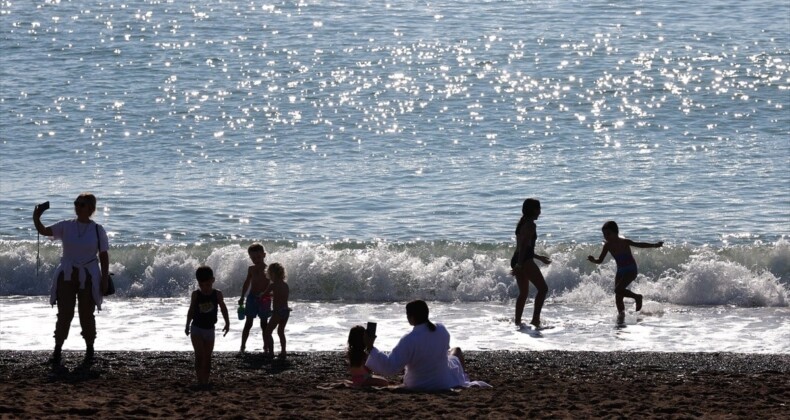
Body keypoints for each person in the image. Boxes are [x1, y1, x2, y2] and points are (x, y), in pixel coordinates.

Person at [33, 193, 110, 363]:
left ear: (90, 208)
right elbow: (44, 231)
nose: (77, 207)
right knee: (65, 313)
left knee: (86, 314)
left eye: (81, 204)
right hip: (67, 273)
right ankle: (57, 349)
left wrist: (104, 279)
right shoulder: (66, 226)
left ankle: (90, 349)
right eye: (76, 203)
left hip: (89, 274)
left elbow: (103, 255)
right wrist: (36, 217)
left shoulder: (98, 229)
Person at [364, 300, 469, 391]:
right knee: (456, 351)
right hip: (442, 382)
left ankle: (463, 376)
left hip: (417, 384)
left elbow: (390, 367)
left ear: (412, 317)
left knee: (453, 353)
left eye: (407, 315)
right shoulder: (442, 330)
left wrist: (371, 347)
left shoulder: (409, 339)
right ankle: (464, 376)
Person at [587, 221, 663, 321]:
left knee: (618, 289)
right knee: (618, 297)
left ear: (616, 232)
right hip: (620, 270)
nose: (606, 236)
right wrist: (593, 260)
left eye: (608, 234)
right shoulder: (607, 246)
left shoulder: (624, 241)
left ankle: (637, 297)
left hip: (631, 269)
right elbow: (600, 260)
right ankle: (621, 317)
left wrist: (654, 245)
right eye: (604, 234)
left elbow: (639, 245)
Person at [185, 265, 230, 387]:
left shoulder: (217, 294)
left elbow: (223, 309)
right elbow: (191, 310)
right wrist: (187, 324)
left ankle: (206, 380)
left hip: (210, 329)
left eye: (208, 285)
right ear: (198, 283)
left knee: (208, 356)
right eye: (201, 285)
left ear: (213, 280)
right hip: (197, 328)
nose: (205, 288)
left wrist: (227, 322)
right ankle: (200, 381)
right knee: (199, 355)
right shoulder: (196, 295)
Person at [511, 198, 551, 329]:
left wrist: (539, 257)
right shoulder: (530, 225)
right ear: (534, 210)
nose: (540, 211)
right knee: (543, 289)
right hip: (524, 260)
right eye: (539, 208)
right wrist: (520, 265)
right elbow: (523, 247)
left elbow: (523, 247)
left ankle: (517, 321)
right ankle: (535, 320)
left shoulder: (522, 223)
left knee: (523, 293)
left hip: (518, 258)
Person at [238, 243, 271, 353]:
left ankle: (266, 347)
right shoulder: (251, 269)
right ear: (250, 258)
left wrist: (273, 296)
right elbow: (247, 283)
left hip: (264, 299)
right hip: (252, 298)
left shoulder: (268, 269)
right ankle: (242, 346)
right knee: (248, 323)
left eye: (258, 257)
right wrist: (242, 296)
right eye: (253, 258)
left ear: (264, 255)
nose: (256, 260)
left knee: (264, 324)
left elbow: (273, 285)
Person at [262, 263, 290, 359]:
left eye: (269, 275)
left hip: (277, 312)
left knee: (268, 332)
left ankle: (271, 352)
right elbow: (282, 296)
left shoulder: (273, 285)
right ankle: (283, 351)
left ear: (273, 274)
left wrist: (259, 296)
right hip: (286, 311)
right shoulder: (285, 285)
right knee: (281, 332)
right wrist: (272, 296)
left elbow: (264, 295)